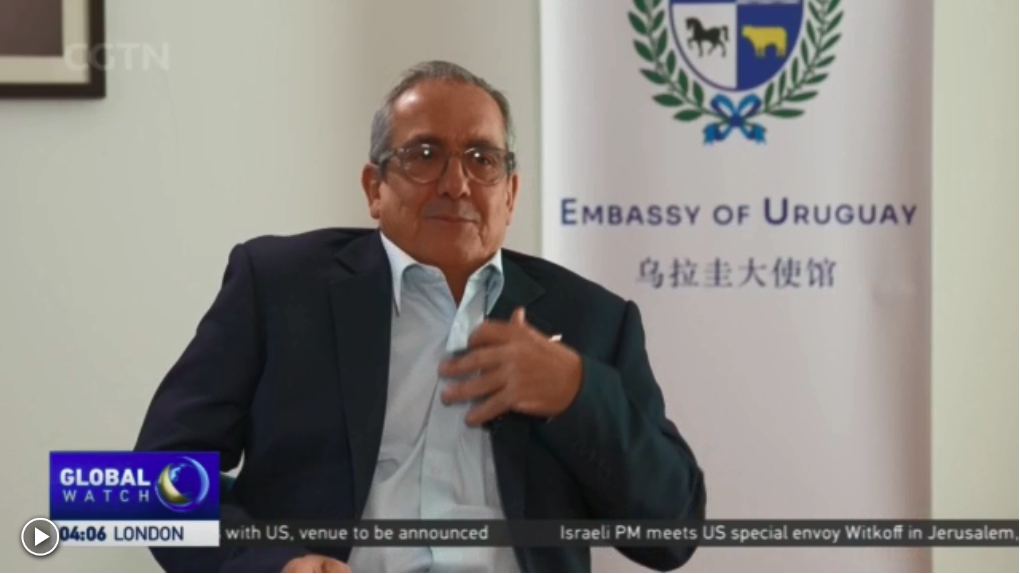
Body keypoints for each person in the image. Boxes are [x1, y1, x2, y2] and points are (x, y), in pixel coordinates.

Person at [135, 60, 706, 573]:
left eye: (482, 160)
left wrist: (576, 397)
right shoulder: (280, 286)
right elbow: (145, 484)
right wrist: (272, 565)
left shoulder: (591, 320)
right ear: (374, 188)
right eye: (425, 156)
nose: (456, 185)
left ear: (510, 193)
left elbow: (673, 533)